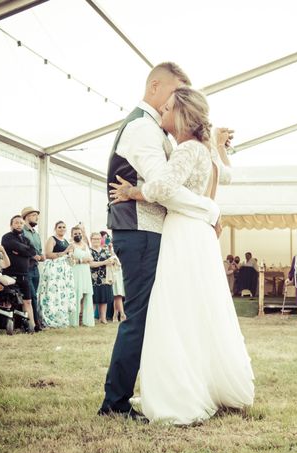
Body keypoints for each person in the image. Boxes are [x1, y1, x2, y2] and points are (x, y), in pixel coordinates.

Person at [107, 86, 254, 424]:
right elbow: (223, 178)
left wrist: (133, 191)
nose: (163, 113)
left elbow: (162, 188)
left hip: (183, 232)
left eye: (169, 108)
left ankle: (182, 393)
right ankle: (205, 383)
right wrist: (211, 208)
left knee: (174, 311)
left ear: (184, 115)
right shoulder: (207, 151)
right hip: (198, 233)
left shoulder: (188, 148)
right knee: (200, 309)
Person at [1, 215, 37, 332]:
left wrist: (21, 251)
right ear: (11, 225)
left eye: (21, 223)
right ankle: (8, 325)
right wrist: (24, 251)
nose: (19, 225)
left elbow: (32, 251)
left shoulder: (26, 239)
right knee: (9, 301)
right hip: (10, 275)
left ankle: (32, 326)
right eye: (16, 223)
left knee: (28, 300)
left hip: (24, 274)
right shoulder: (7, 237)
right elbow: (17, 247)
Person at [38, 221, 76, 328]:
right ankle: (49, 318)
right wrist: (64, 252)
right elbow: (48, 254)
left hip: (64, 271)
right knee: (52, 293)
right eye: (59, 227)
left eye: (64, 227)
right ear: (55, 228)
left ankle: (61, 318)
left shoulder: (66, 241)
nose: (62, 229)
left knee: (62, 293)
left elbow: (69, 256)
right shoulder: (52, 239)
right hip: (54, 269)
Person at [21, 207, 44, 332]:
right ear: (27, 217)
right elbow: (22, 249)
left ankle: (34, 322)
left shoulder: (36, 234)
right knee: (31, 296)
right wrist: (32, 255)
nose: (36, 217)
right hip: (26, 268)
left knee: (35, 294)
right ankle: (35, 324)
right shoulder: (22, 232)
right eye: (34, 215)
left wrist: (41, 255)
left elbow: (39, 251)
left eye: (37, 215)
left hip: (35, 267)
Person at [69, 224, 94, 328]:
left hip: (86, 272)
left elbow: (91, 257)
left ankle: (87, 320)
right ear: (72, 235)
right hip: (76, 271)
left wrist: (89, 259)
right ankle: (74, 321)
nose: (78, 235)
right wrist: (82, 260)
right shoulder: (71, 246)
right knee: (77, 294)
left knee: (86, 294)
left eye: (79, 233)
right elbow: (70, 260)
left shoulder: (86, 245)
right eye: (75, 234)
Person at [89, 232, 115, 324]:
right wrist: (104, 262)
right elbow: (91, 264)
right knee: (93, 299)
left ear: (101, 240)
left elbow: (112, 259)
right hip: (93, 278)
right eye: (94, 239)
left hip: (105, 278)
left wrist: (111, 259)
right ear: (91, 240)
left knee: (104, 299)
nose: (96, 240)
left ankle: (103, 318)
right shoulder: (88, 251)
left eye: (98, 239)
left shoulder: (105, 250)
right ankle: (90, 318)